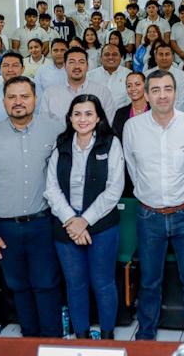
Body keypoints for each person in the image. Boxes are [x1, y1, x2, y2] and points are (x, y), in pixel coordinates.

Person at [0, 76, 66, 337]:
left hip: (43, 223)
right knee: (18, 286)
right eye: (12, 97)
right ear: (3, 102)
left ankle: (52, 343)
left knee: (47, 284)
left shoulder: (55, 131)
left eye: (24, 96)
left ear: (35, 99)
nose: (18, 102)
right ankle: (29, 341)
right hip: (4, 229)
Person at [122, 71, 184, 340]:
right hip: (149, 215)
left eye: (168, 89)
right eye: (156, 90)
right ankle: (146, 336)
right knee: (150, 280)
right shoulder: (132, 128)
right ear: (147, 95)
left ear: (175, 92)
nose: (163, 95)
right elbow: (132, 169)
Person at [44, 94, 124, 340]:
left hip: (102, 225)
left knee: (103, 282)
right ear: (69, 118)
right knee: (75, 284)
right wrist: (72, 220)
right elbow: (51, 189)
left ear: (98, 117)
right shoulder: (61, 144)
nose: (83, 119)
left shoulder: (110, 143)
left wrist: (84, 220)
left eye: (89, 113)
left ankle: (107, 337)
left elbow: (114, 189)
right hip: (66, 225)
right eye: (77, 114)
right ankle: (81, 337)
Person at [39, 47, 117, 127]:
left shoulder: (102, 92)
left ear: (87, 66)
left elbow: (109, 123)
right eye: (72, 62)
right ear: (65, 66)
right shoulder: (50, 94)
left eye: (81, 62)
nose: (77, 66)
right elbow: (44, 125)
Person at [146, 42, 184, 111]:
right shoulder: (147, 75)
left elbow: (182, 102)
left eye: (167, 54)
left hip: (176, 114)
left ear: (172, 57)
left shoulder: (182, 76)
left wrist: (170, 115)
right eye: (161, 54)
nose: (164, 58)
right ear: (155, 57)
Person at [87, 44, 132, 109]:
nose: (110, 57)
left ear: (120, 57)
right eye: (107, 54)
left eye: (115, 54)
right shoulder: (90, 76)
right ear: (101, 58)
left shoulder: (129, 75)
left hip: (123, 114)